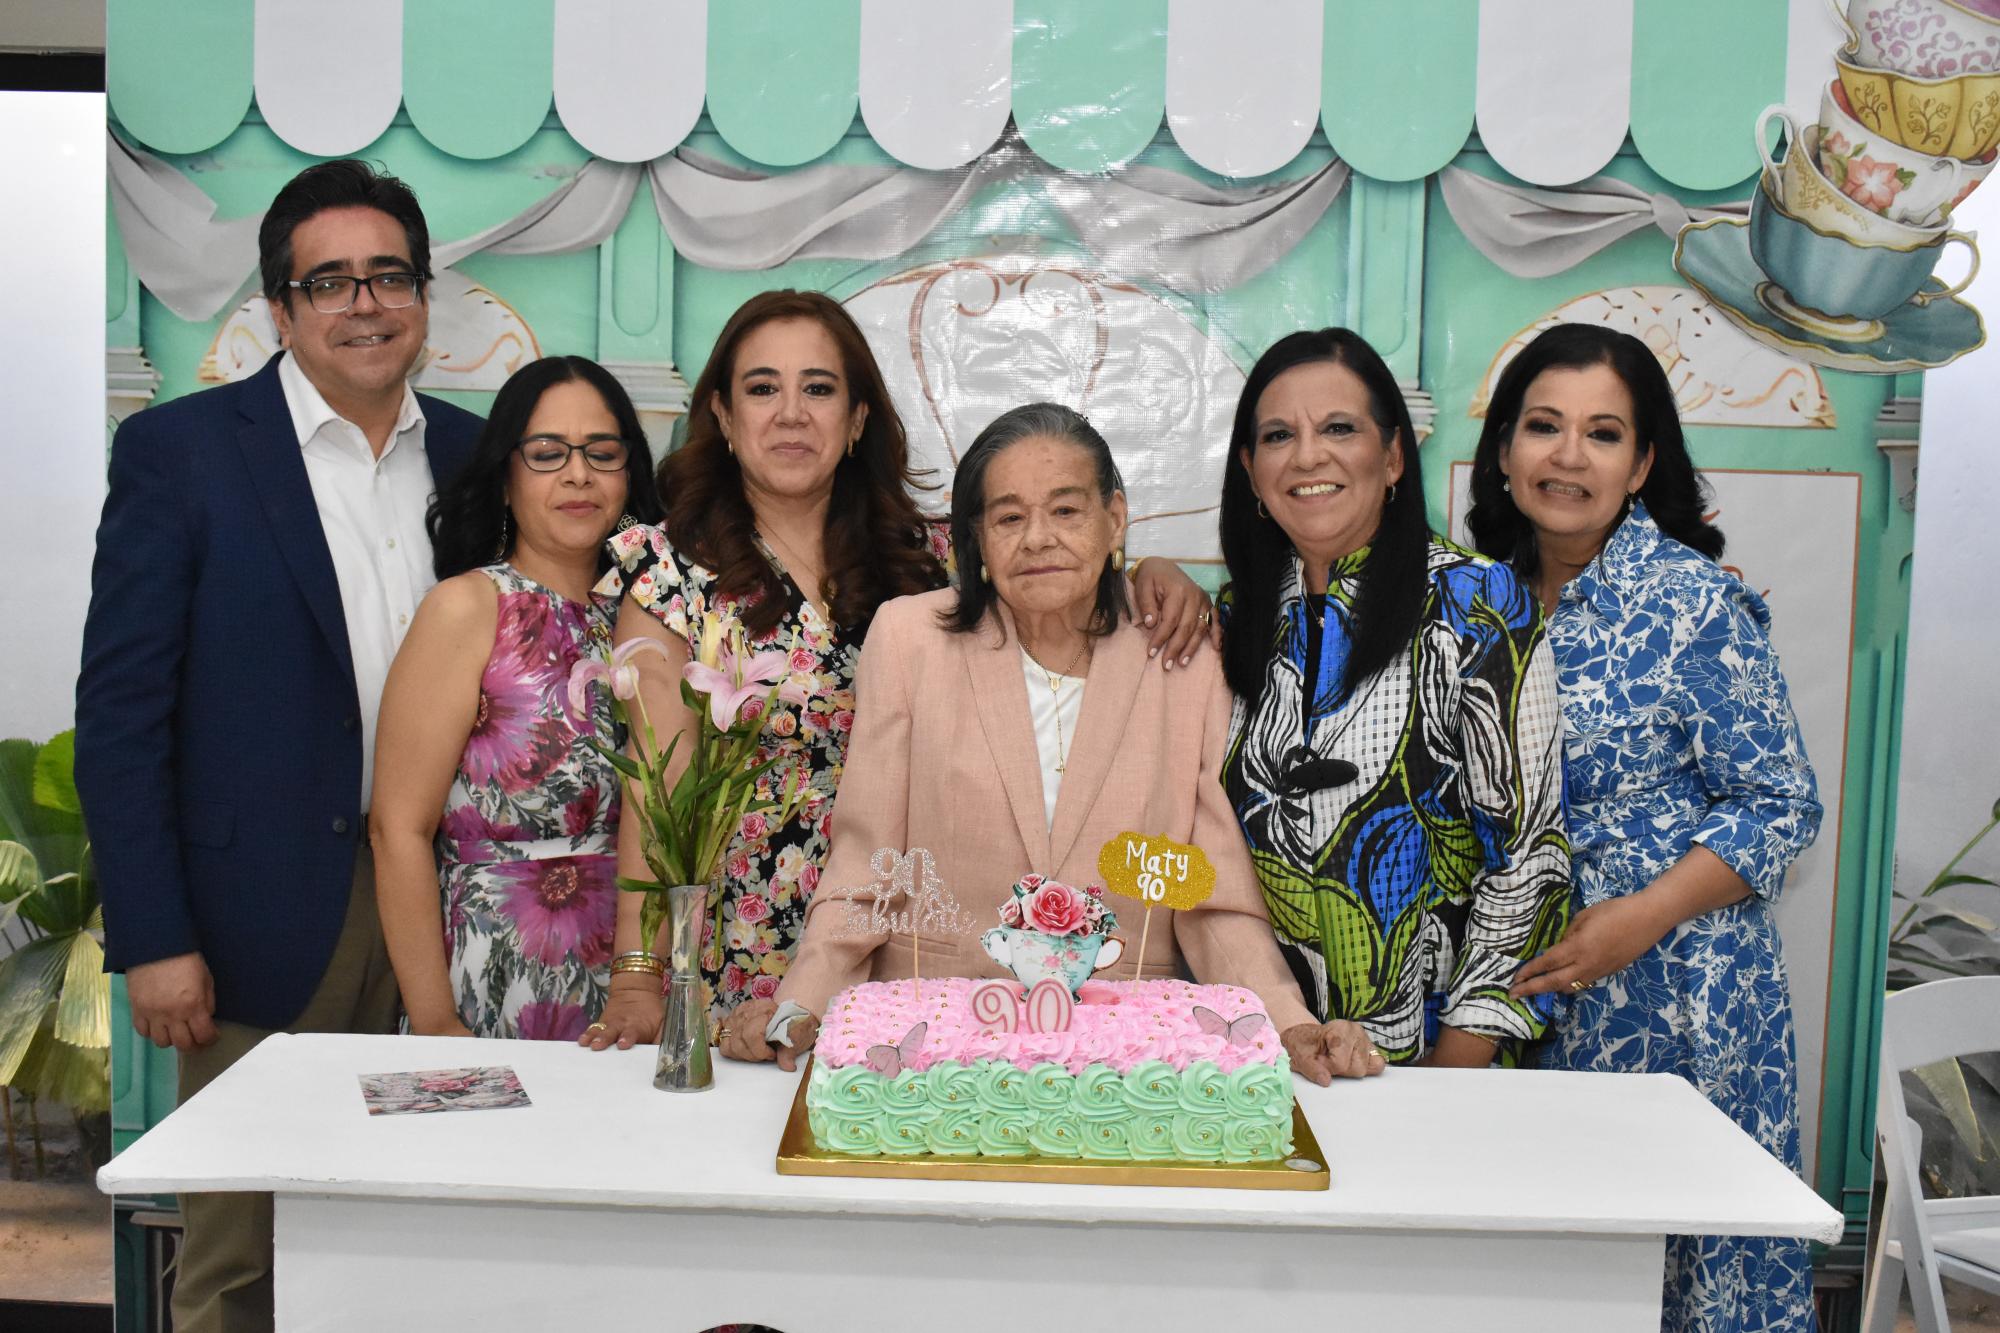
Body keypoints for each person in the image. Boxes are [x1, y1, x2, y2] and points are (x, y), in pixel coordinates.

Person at [585, 291, 1219, 1051]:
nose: (791, 412)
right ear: (721, 415)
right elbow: (658, 797)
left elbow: (1050, 560)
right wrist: (640, 974)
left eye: (818, 388)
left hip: (905, 946)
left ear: (857, 419)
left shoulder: (925, 557)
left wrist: (1152, 572)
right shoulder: (671, 576)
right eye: (762, 388)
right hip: (739, 938)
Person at [74, 159, 483, 1331]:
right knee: (241, 1259)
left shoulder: (473, 455)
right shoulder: (184, 453)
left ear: (422, 293)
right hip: (258, 915)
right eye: (331, 281)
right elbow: (121, 714)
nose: (365, 303)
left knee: (421, 1237)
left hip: (451, 908)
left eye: (389, 275)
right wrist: (153, 937)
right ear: (280, 306)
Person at [719, 402, 1385, 1085]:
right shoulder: (909, 640)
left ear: (1115, 518)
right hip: (934, 1046)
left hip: (1125, 1059)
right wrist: (800, 1002)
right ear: (975, 537)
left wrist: (1288, 1022)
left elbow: (1204, 892)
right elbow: (868, 867)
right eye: (1008, 517)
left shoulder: (1181, 654)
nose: (1038, 538)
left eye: (1066, 511)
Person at [1470, 323, 1822, 1332]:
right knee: (1546, 1279)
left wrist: (1640, 916)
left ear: (1641, 462)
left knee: (1680, 1280)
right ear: (1502, 451)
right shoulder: (1471, 599)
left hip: (1681, 997)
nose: (1566, 456)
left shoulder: (1693, 605)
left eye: (1602, 433)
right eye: (1541, 427)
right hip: (1526, 997)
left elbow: (1779, 802)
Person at [1216, 329, 1571, 1068]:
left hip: (1434, 1064)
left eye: (1339, 428)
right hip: (1269, 1057)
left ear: (1394, 456)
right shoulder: (1232, 622)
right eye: (1279, 435)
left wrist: (1450, 1074)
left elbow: (1528, 861)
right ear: (1251, 471)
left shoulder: (1477, 605)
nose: (1308, 455)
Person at [371, 357, 663, 1040]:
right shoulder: (469, 606)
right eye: (546, 453)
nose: (578, 474)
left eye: (602, 451)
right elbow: (397, 830)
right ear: (505, 475)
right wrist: (437, 1019)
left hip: (636, 981)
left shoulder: (654, 615)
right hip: (492, 976)